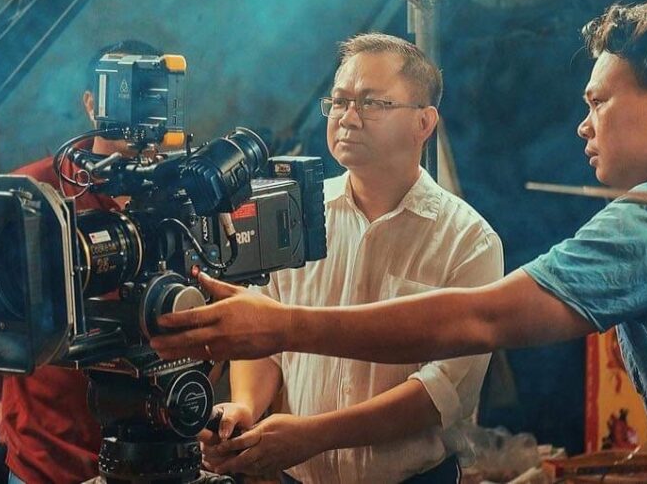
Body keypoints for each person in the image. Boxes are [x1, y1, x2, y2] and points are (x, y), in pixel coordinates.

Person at [151, 2, 647, 483]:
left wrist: (280, 324)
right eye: (340, 100)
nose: (583, 124)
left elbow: (483, 319)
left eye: (599, 101)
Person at [200, 33, 503, 483]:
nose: (348, 118)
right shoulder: (291, 215)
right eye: (340, 101)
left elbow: (440, 394)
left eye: (372, 103)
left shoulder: (468, 241)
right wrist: (244, 407)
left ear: (424, 122)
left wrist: (316, 435)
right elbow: (262, 338)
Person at [0, 39, 161, 484]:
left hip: (153, 457)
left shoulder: (181, 192)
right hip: (45, 459)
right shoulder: (32, 190)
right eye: (120, 95)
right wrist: (0, 407)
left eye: (148, 97)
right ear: (90, 103)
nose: (133, 114)